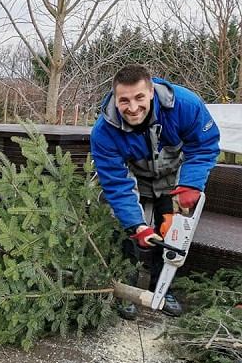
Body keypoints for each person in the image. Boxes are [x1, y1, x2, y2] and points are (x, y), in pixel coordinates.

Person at [91, 64, 220, 319]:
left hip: (173, 174)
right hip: (133, 176)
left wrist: (191, 185)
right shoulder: (103, 131)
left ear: (150, 91)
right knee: (123, 229)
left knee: (174, 232)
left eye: (139, 97)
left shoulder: (185, 105)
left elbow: (204, 147)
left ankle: (163, 288)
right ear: (115, 99)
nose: (133, 107)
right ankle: (123, 287)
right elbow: (116, 184)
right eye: (124, 100)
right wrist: (136, 225)